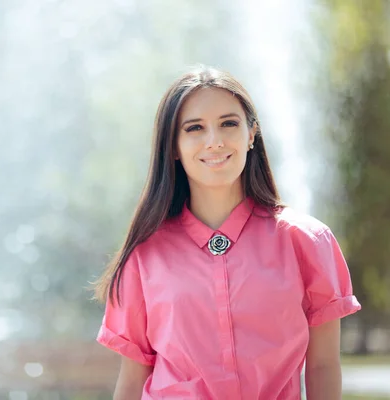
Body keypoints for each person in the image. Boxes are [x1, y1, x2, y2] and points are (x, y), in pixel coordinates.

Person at [92, 65, 361, 400]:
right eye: (194, 128)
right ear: (173, 146)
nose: (214, 141)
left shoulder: (306, 241)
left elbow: (322, 364)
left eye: (228, 124)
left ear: (251, 134)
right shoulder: (146, 253)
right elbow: (133, 378)